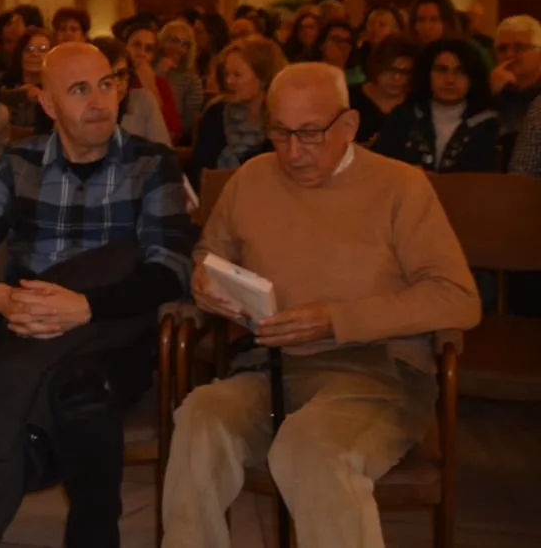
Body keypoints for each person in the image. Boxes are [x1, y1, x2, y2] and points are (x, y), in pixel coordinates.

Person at [162, 64, 481, 548]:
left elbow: (457, 297)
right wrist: (206, 280)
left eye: (310, 133)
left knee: (310, 450)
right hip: (269, 368)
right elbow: (210, 253)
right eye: (280, 133)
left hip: (377, 375)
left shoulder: (400, 186)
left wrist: (336, 319)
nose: (292, 152)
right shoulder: (252, 178)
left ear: (349, 126)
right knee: (199, 419)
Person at [0, 43, 196, 548]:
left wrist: (85, 306)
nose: (100, 100)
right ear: (48, 102)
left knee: (78, 393)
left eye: (107, 83)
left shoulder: (151, 165)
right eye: (79, 90)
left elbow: (170, 270)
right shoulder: (19, 163)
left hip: (108, 328)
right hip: (19, 319)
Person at [373, 38, 500, 173]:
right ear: (427, 74)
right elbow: (377, 167)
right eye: (441, 70)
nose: (449, 80)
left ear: (472, 77)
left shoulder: (489, 124)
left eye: (460, 71)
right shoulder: (404, 117)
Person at [190, 38, 286, 184]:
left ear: (263, 78)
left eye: (237, 75)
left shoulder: (281, 121)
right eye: (227, 74)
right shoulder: (215, 114)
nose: (229, 81)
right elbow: (198, 173)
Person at [93, 36, 172, 145]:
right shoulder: (80, 108)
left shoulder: (143, 100)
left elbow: (164, 155)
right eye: (108, 76)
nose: (116, 83)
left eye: (121, 74)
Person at [349, 34, 417, 144]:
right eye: (390, 70)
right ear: (377, 66)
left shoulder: (416, 105)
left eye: (404, 72)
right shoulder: (350, 99)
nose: (397, 78)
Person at [122, 23, 181, 142]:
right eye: (136, 45)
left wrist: (151, 87)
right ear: (125, 47)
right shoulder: (114, 79)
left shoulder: (160, 83)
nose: (141, 53)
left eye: (148, 49)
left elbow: (173, 132)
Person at [489, 14, 541, 138]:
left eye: (519, 47)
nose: (509, 55)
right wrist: (491, 95)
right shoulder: (493, 88)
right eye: (502, 48)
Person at [157, 18, 205, 137]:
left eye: (184, 44)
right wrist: (159, 73)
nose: (178, 47)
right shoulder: (149, 69)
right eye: (173, 40)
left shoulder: (191, 80)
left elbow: (189, 123)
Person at [0, 27, 53, 128]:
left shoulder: (56, 88)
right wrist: (17, 94)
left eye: (42, 50)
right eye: (29, 49)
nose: (34, 54)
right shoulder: (3, 82)